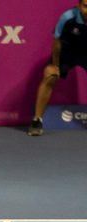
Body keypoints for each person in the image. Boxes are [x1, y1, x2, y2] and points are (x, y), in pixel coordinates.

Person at [28, 0, 87, 136]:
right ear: (79, 6)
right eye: (85, 6)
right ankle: (37, 120)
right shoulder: (68, 17)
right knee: (50, 75)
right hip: (67, 53)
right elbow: (57, 43)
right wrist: (55, 65)